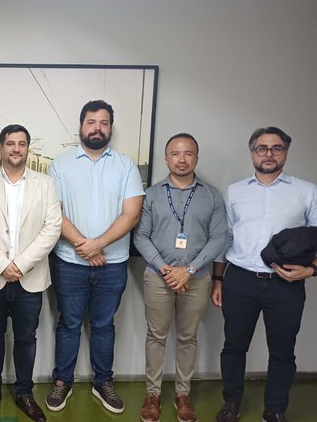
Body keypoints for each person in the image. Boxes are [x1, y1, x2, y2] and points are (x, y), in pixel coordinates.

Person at [45, 100, 145, 414]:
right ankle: (62, 382)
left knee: (104, 325)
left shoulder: (126, 166)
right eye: (91, 121)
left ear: (110, 128)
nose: (97, 128)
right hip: (69, 262)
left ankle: (103, 383)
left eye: (103, 122)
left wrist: (98, 244)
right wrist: (84, 246)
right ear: (81, 125)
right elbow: (54, 213)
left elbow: (132, 214)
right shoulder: (60, 165)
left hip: (112, 265)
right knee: (69, 324)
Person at [211, 127, 317, 422]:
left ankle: (275, 410)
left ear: (285, 153)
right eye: (262, 148)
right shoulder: (235, 191)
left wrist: (311, 270)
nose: (269, 154)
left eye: (276, 148)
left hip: (286, 285)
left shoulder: (307, 191)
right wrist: (218, 279)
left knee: (283, 352)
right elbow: (225, 239)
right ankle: (231, 403)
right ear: (252, 153)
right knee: (234, 346)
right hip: (240, 280)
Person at [0, 125, 62, 422]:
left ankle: (24, 393)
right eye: (10, 143)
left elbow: (52, 228)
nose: (16, 149)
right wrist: (1, 265)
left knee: (26, 338)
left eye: (22, 143)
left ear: (28, 149)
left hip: (30, 278)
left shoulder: (45, 184)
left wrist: (20, 265)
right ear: (1, 147)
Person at [133, 133, 227, 422]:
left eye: (188, 153)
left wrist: (189, 269)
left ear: (196, 158)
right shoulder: (152, 195)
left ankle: (182, 394)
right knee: (156, 336)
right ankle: (153, 394)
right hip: (157, 277)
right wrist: (165, 268)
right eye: (175, 153)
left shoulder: (212, 196)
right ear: (166, 159)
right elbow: (141, 236)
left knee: (188, 337)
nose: (182, 159)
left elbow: (218, 238)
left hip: (196, 279)